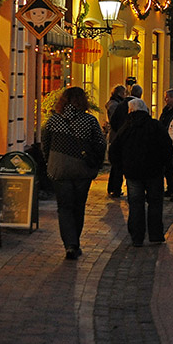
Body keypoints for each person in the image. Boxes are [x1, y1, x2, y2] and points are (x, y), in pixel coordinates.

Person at [42, 87, 106, 259]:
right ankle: (75, 241)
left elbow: (45, 144)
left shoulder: (53, 121)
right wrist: (96, 164)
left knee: (64, 208)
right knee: (78, 207)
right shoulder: (90, 121)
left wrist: (50, 162)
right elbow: (101, 144)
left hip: (59, 169)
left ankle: (70, 244)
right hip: (82, 170)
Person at [110, 98, 169, 246]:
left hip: (132, 173)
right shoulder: (155, 126)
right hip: (154, 171)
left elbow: (114, 149)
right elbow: (167, 146)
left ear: (130, 111)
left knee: (136, 204)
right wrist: (164, 164)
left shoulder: (126, 128)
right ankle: (155, 235)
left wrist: (121, 167)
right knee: (155, 203)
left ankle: (137, 237)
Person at [105, 84, 128, 198]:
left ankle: (112, 187)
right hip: (116, 137)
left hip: (116, 136)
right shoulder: (115, 105)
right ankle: (115, 188)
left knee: (116, 165)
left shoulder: (115, 104)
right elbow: (115, 121)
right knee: (118, 164)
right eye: (124, 93)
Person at [158, 88, 173, 197]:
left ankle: (172, 188)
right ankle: (169, 188)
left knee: (170, 166)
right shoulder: (166, 109)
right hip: (164, 140)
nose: (165, 100)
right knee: (166, 166)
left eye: (167, 97)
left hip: (171, 140)